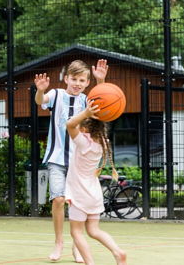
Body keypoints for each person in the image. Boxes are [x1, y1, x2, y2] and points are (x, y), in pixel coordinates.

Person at [34, 59, 108, 262]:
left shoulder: (87, 100)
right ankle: (59, 243)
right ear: (66, 78)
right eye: (73, 78)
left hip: (80, 163)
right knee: (58, 199)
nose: (77, 83)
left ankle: (78, 246)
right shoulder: (57, 94)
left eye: (82, 80)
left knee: (79, 205)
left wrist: (101, 81)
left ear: (86, 83)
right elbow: (40, 101)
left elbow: (103, 103)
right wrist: (40, 90)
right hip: (57, 158)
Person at [65, 100, 127, 265]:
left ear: (84, 128)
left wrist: (85, 113)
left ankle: (90, 263)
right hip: (93, 193)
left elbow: (70, 124)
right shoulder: (102, 143)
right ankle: (117, 251)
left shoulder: (83, 142)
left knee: (76, 233)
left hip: (79, 194)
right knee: (94, 230)